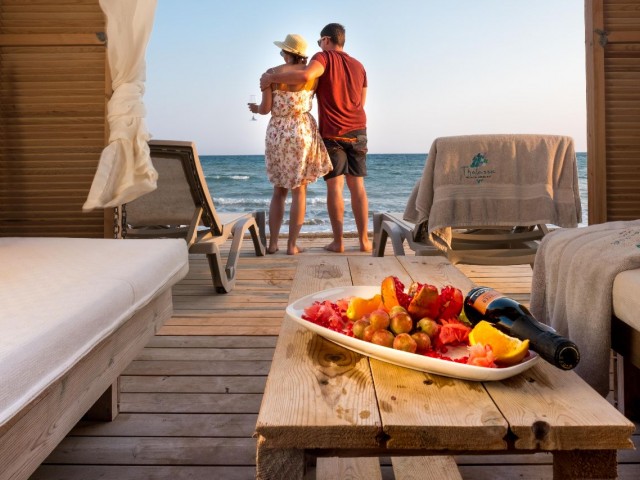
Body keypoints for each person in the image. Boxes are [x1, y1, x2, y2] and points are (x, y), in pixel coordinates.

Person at [260, 23, 370, 253]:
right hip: (357, 128)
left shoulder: (323, 58)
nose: (319, 45)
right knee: (357, 186)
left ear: (327, 40)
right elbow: (362, 99)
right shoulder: (360, 66)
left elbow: (307, 74)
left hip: (331, 130)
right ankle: (363, 241)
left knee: (334, 187)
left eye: (320, 41)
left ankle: (338, 242)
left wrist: (270, 76)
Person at [249, 34, 332, 255]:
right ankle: (292, 245)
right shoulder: (311, 75)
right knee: (299, 191)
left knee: (279, 191)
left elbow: (266, 109)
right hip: (301, 130)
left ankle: (273, 243)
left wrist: (256, 109)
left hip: (278, 132)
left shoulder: (271, 75)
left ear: (286, 54)